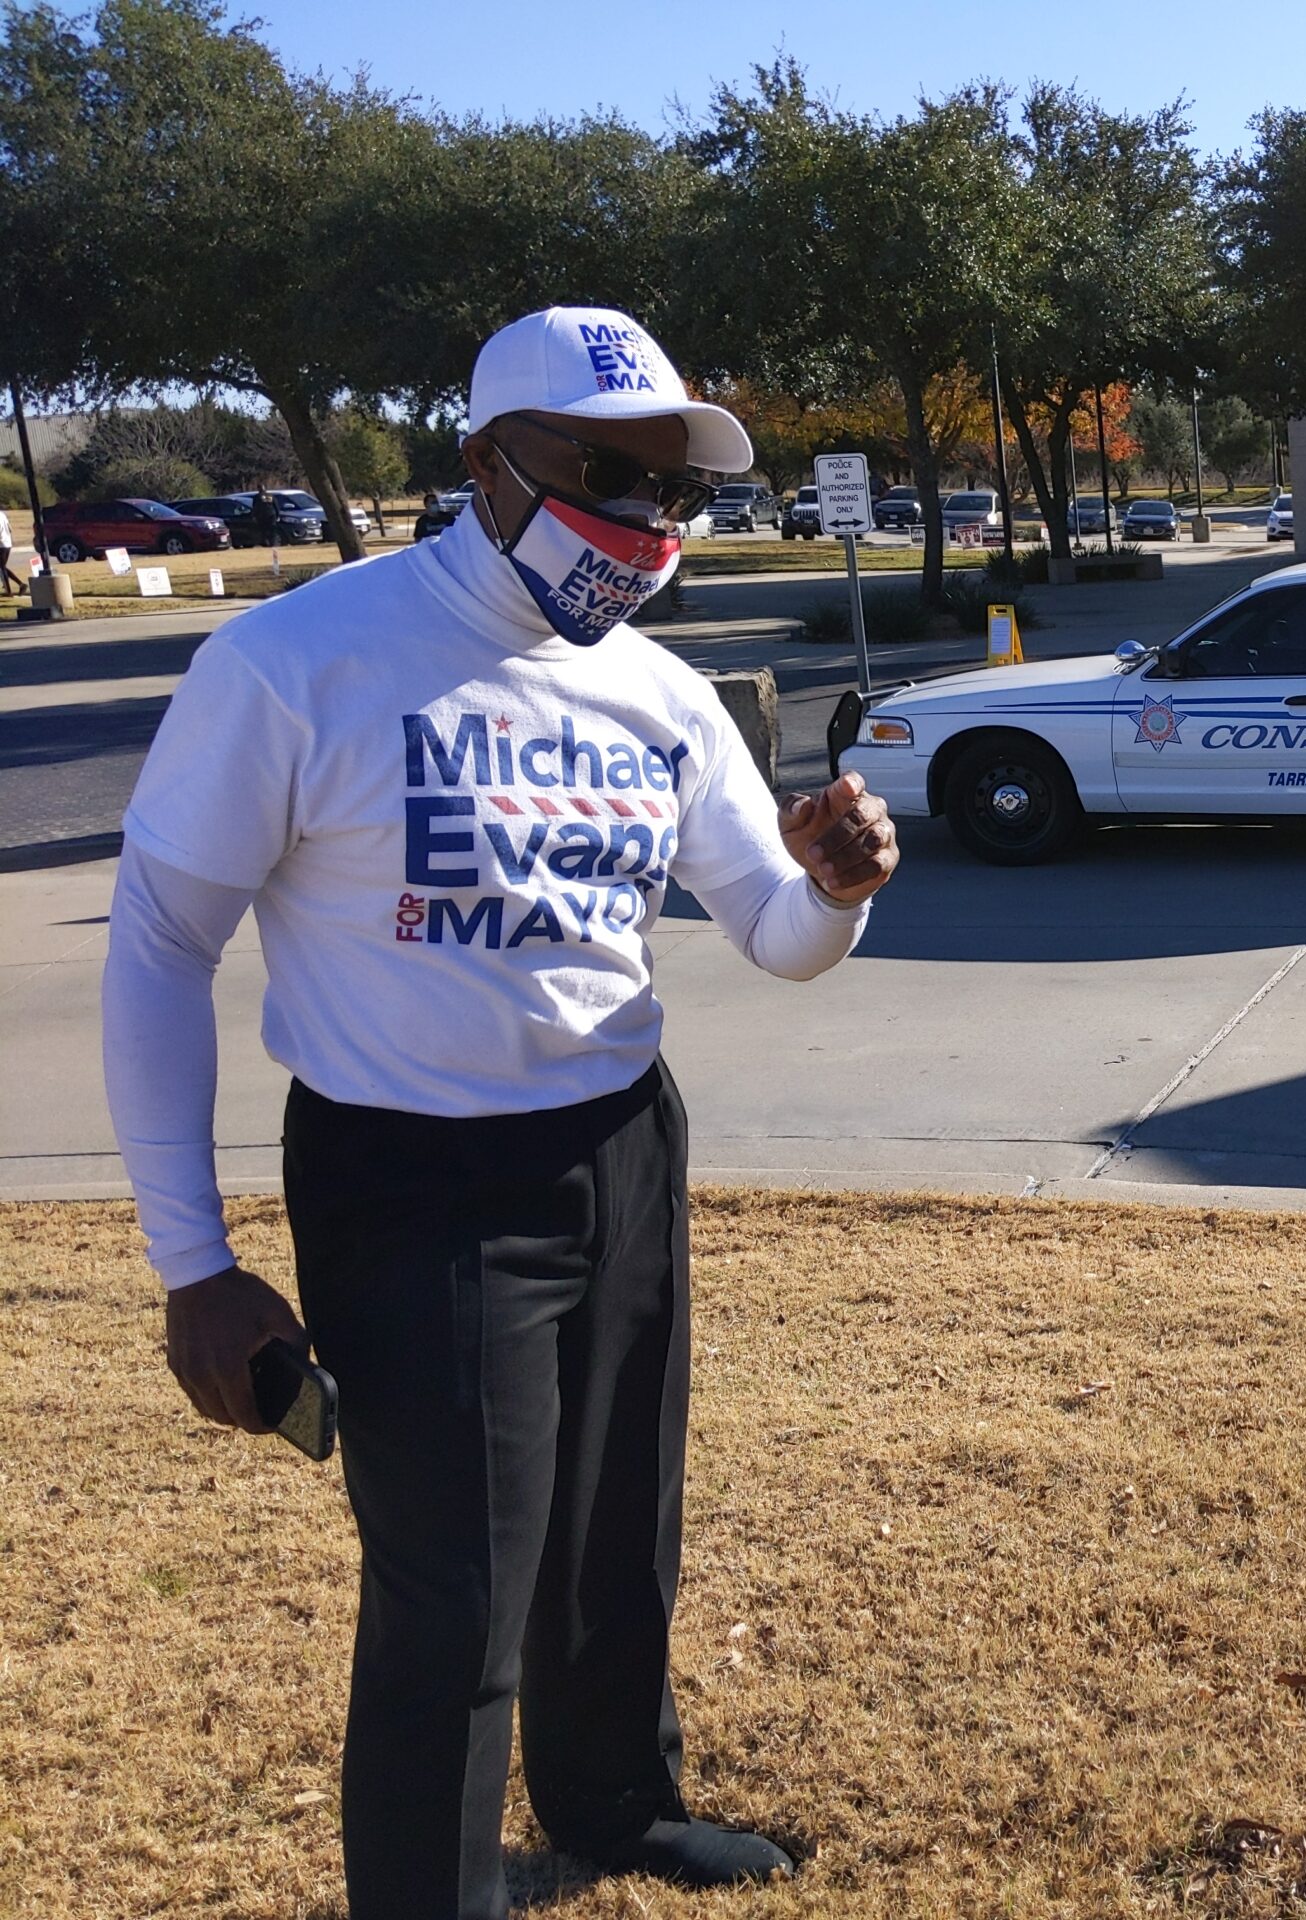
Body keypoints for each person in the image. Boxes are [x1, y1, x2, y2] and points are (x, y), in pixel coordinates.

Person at [101, 306, 899, 1920]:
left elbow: (776, 932)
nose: (650, 523)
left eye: (677, 491)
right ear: (486, 464)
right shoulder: (298, 662)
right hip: (411, 1182)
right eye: (611, 471)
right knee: (455, 1599)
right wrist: (192, 1260)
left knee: (619, 1531)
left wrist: (838, 890)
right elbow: (157, 939)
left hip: (620, 1144)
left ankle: (614, 1802)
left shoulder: (663, 700)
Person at [0, 501, 23, 594]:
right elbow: (10, 529)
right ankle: (20, 585)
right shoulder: (2, 515)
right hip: (7, 543)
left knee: (2, 568)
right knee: (2, 567)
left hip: (1, 545)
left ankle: (9, 590)